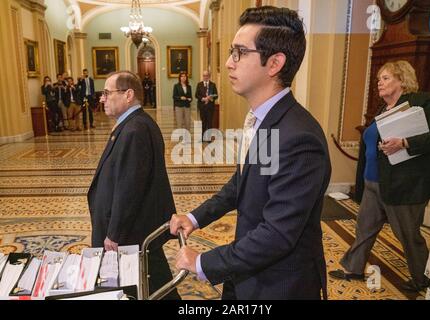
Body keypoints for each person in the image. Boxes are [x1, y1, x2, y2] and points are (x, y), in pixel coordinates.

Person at [170, 6, 331, 300]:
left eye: (240, 52)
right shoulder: (265, 119)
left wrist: (204, 262)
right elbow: (240, 185)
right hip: (246, 270)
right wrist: (194, 218)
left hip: (280, 285)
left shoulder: (300, 138)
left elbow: (278, 234)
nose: (229, 63)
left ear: (274, 64)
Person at [329, 60, 430, 292]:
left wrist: (405, 143)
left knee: (407, 234)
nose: (379, 83)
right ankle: (353, 268)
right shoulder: (381, 110)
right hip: (374, 182)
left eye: (385, 78)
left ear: (402, 80)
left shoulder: (422, 103)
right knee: (365, 228)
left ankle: (422, 278)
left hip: (405, 185)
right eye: (378, 80)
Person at [88, 71, 180, 299]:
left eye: (107, 93)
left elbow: (129, 188)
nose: (102, 98)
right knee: (151, 281)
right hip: (136, 227)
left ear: (128, 95)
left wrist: (114, 233)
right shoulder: (132, 124)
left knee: (152, 284)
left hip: (133, 231)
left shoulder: (135, 129)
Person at [195, 71, 218, 142]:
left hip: (210, 107)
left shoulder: (213, 85)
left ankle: (208, 138)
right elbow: (196, 95)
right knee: (203, 122)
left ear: (209, 76)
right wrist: (203, 98)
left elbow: (216, 95)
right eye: (204, 75)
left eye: (207, 75)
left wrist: (211, 98)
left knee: (209, 122)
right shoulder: (199, 84)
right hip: (202, 107)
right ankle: (202, 137)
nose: (205, 77)